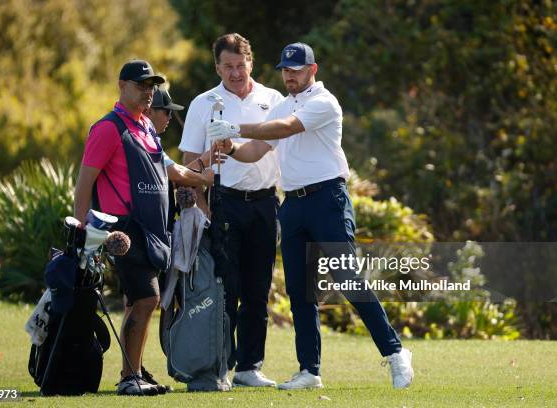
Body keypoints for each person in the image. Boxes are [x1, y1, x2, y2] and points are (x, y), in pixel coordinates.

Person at [207, 43, 414, 390]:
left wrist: (235, 128)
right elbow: (257, 150)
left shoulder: (324, 102)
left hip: (327, 199)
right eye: (285, 69)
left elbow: (285, 128)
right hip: (293, 204)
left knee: (346, 277)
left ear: (312, 70)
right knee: (300, 291)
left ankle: (395, 352)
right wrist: (230, 147)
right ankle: (309, 371)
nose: (290, 75)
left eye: (296, 69)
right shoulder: (283, 104)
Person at [74, 59, 215, 396]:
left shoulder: (146, 128)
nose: (149, 92)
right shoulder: (108, 128)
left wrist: (202, 177)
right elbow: (84, 184)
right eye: (141, 85)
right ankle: (128, 378)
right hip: (123, 232)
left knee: (141, 301)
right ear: (122, 86)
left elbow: (168, 170)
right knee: (146, 298)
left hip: (152, 232)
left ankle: (134, 371)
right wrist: (84, 234)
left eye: (152, 87)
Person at [178, 33, 284, 387]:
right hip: (224, 205)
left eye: (241, 65)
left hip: (265, 204)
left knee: (258, 289)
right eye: (228, 67)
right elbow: (188, 165)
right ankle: (220, 365)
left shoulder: (274, 99)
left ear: (251, 62)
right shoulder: (203, 103)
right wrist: (204, 209)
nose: (236, 73)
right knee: (226, 289)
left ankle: (250, 367)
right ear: (217, 68)